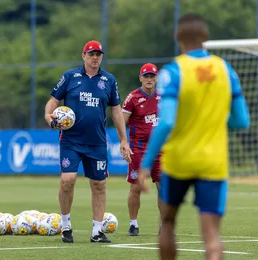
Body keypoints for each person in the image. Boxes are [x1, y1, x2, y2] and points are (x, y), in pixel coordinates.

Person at [138, 13, 250, 260]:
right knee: (211, 234)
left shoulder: (173, 71)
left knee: (167, 222)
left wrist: (145, 163)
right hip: (213, 162)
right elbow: (242, 121)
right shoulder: (225, 70)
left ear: (178, 39)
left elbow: (166, 121)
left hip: (179, 160)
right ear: (206, 38)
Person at [44, 40, 132, 244]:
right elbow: (53, 101)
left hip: (97, 142)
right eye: (91, 54)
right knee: (68, 180)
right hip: (71, 140)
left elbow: (116, 111)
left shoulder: (109, 80)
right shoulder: (69, 77)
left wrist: (123, 140)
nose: (95, 57)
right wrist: (49, 117)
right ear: (83, 56)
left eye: (98, 54)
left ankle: (97, 231)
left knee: (99, 184)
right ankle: (65, 226)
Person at [122, 63, 162, 236]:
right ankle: (133, 224)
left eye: (152, 76)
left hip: (161, 149)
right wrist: (123, 142)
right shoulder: (132, 97)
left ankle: (165, 225)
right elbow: (121, 122)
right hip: (138, 149)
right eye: (146, 76)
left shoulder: (164, 96)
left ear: (156, 78)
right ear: (140, 78)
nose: (149, 79)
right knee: (136, 187)